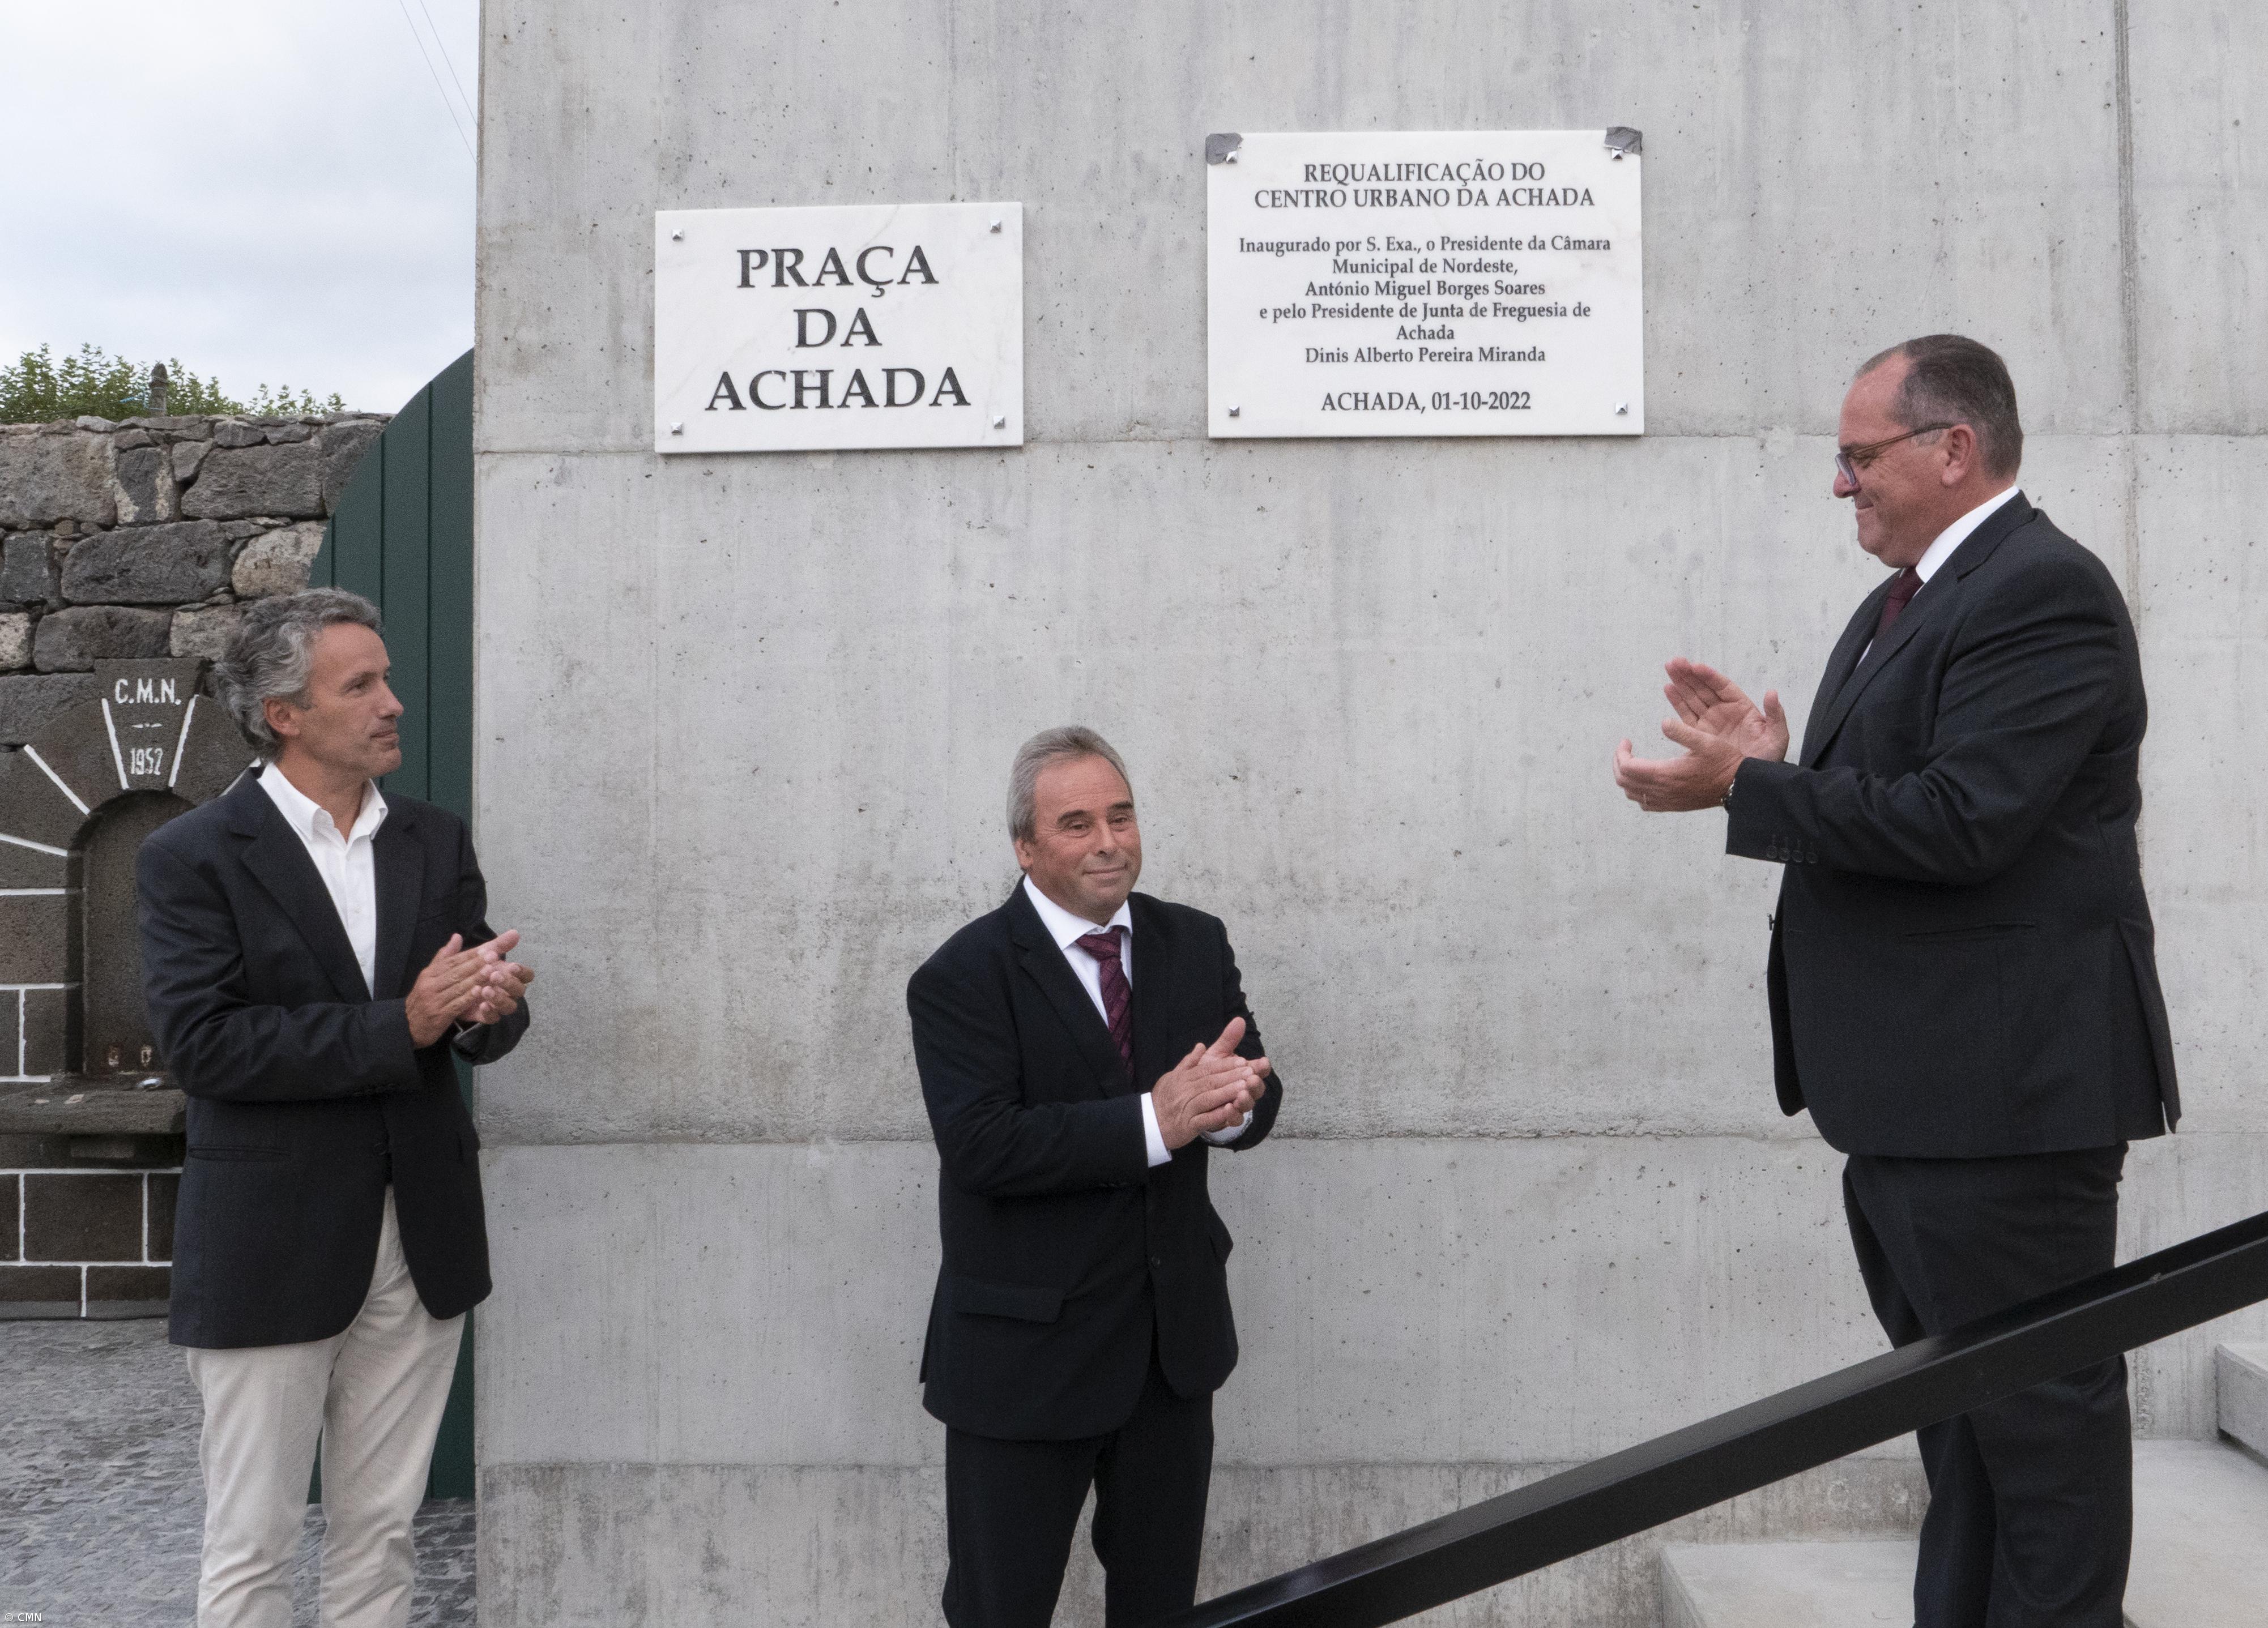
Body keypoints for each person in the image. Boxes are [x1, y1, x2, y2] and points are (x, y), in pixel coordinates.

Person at [1612, 335, 2177, 1627]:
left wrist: (1756, 789)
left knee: (2040, 1436)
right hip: (1921, 1103)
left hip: (2004, 1106)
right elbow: (1912, 799)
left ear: (1953, 448)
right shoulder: (1911, 602)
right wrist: (1776, 764)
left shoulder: (2041, 590)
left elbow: (1965, 821)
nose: (1840, 483)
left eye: (1858, 456)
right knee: (1961, 1431)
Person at [137, 588, 535, 1628]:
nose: (393, 703)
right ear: (284, 714)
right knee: (252, 1545)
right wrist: (406, 1023)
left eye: (387, 678)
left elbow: (467, 1012)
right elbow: (204, 1046)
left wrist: (486, 1008)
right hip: (268, 1243)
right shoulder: (191, 856)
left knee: (384, 1532)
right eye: (361, 686)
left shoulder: (433, 840)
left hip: (422, 1232)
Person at [906, 726, 1282, 1627]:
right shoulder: (961, 976)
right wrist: (1159, 1120)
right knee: (1000, 1610)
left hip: (1168, 1355)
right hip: (1024, 1364)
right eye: (1077, 824)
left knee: (1159, 1608)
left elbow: (1253, 1086)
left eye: (1122, 816)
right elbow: (983, 1145)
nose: (1108, 841)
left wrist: (1234, 1107)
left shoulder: (1194, 941)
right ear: (1025, 846)